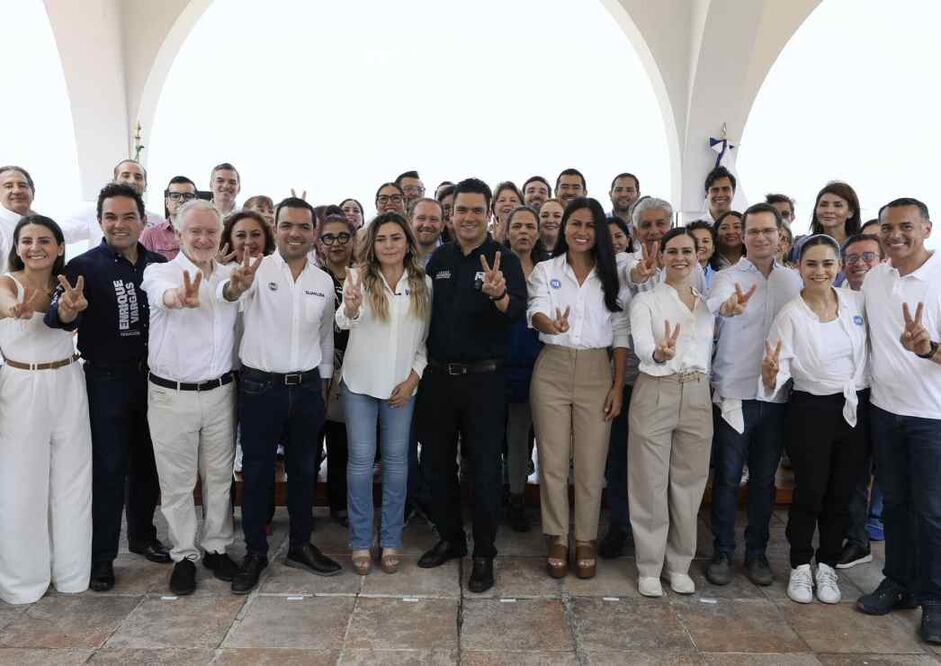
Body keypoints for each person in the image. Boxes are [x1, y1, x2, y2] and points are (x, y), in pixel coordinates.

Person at [45, 183, 170, 593]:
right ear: (100, 221)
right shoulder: (84, 266)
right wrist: (66, 311)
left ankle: (142, 535)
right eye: (111, 217)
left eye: (128, 216)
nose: (119, 224)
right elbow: (60, 316)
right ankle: (101, 558)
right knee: (110, 469)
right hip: (106, 382)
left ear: (142, 219)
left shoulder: (157, 264)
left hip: (152, 380)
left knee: (148, 463)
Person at [220, 197, 343, 593]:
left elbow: (325, 336)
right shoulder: (253, 269)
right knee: (256, 472)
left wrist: (323, 382)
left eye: (304, 227)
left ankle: (300, 545)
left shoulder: (323, 281)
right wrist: (234, 284)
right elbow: (230, 300)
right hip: (260, 387)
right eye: (287, 225)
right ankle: (255, 551)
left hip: (307, 387)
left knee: (305, 470)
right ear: (276, 228)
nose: (295, 233)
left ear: (314, 233)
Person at [414, 178, 526, 594]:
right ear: (451, 214)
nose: (468, 217)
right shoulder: (437, 260)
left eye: (478, 210)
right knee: (437, 465)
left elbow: (516, 310)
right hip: (439, 380)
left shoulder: (504, 260)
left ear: (489, 214)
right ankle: (451, 539)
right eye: (461, 210)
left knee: (482, 470)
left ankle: (484, 553)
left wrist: (498, 296)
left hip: (486, 382)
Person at [759, 235, 870, 604]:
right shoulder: (791, 314)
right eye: (811, 264)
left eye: (827, 264)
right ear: (798, 268)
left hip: (855, 407)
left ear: (838, 267)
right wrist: (772, 373)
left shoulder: (855, 302)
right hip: (811, 410)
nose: (819, 271)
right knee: (811, 490)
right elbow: (776, 374)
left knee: (842, 492)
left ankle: (828, 566)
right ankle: (801, 565)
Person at [141, 199, 240, 595]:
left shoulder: (232, 276)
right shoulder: (159, 272)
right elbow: (162, 295)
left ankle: (216, 547)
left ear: (220, 235)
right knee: (177, 483)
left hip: (220, 392)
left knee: (218, 479)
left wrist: (235, 288)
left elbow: (233, 294)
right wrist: (177, 299)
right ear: (178, 234)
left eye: (210, 232)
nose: (203, 239)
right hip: (171, 396)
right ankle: (184, 555)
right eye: (194, 231)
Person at [528, 197, 629, 580]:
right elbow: (533, 308)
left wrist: (618, 385)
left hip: (596, 370)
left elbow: (621, 332)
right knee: (552, 462)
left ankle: (585, 539)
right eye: (575, 224)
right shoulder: (545, 268)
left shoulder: (613, 273)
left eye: (589, 225)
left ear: (598, 231)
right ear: (564, 228)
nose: (582, 232)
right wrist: (547, 324)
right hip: (551, 368)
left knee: (590, 463)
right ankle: (557, 535)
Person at [856, 198, 941, 645]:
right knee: (896, 508)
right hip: (886, 411)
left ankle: (936, 600)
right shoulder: (876, 277)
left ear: (926, 228)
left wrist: (928, 349)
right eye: (887, 227)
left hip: (932, 419)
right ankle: (899, 583)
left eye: (906, 227)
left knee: (931, 513)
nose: (895, 235)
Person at [705, 202, 802, 587]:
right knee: (728, 477)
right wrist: (729, 307)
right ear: (741, 237)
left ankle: (757, 552)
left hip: (777, 396)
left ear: (781, 236)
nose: (760, 237)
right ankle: (722, 551)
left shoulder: (793, 282)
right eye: (753, 231)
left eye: (768, 231)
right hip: (735, 393)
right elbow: (717, 307)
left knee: (764, 479)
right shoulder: (727, 277)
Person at [0, 215, 92, 605]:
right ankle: (23, 582)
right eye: (27, 241)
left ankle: (72, 574)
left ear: (59, 247)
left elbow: (66, 315)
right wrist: (16, 308)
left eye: (44, 240)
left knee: (74, 481)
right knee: (22, 484)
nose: (35, 247)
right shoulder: (7, 282)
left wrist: (71, 309)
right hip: (22, 386)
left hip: (68, 379)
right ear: (17, 246)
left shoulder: (67, 285)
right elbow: (7, 303)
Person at [337, 212, 431, 575]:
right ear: (371, 245)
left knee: (396, 465)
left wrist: (413, 380)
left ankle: (390, 539)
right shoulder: (358, 277)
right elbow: (343, 321)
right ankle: (361, 541)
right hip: (360, 384)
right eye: (381, 239)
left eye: (396, 238)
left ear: (407, 242)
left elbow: (423, 341)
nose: (389, 245)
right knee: (360, 465)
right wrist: (351, 306)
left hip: (400, 389)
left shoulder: (422, 282)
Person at [628, 228, 714, 597]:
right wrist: (661, 353)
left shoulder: (707, 302)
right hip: (656, 389)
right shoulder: (646, 301)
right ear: (661, 256)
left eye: (687, 251)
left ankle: (679, 564)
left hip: (697, 392)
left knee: (689, 485)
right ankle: (649, 566)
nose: (680, 257)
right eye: (673, 251)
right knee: (649, 482)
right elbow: (644, 347)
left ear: (698, 255)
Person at [837, 234, 886, 569]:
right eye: (852, 258)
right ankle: (855, 539)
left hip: (886, 397)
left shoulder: (888, 297)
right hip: (846, 394)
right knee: (850, 473)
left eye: (867, 257)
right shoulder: (836, 297)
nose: (859, 264)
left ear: (881, 260)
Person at [503, 205, 544, 531]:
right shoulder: (495, 266)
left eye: (530, 226)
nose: (523, 232)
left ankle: (517, 497)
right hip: (496, 364)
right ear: (506, 230)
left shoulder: (548, 271)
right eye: (517, 226)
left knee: (520, 435)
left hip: (537, 365)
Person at [317, 214, 357, 526]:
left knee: (344, 438)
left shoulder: (364, 277)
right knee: (316, 436)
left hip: (355, 363)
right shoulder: (314, 278)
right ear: (319, 243)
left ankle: (342, 502)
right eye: (329, 237)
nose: (336, 243)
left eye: (343, 236)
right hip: (318, 364)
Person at [141, 176, 198, 260]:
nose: (181, 200)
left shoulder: (208, 233)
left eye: (188, 196)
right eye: (175, 196)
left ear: (196, 201)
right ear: (167, 202)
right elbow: (142, 269)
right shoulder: (150, 235)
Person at [0, 166, 36, 272]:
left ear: (32, 192)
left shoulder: (47, 224)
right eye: (8, 186)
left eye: (22, 185)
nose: (16, 190)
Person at [409, 198, 444, 266]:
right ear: (410, 222)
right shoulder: (398, 255)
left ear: (442, 225)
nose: (426, 225)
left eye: (433, 219)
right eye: (421, 218)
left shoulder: (454, 257)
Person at [687, 220, 718, 291]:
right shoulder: (677, 274)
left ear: (713, 248)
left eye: (705, 241)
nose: (700, 245)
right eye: (695, 241)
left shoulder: (721, 276)